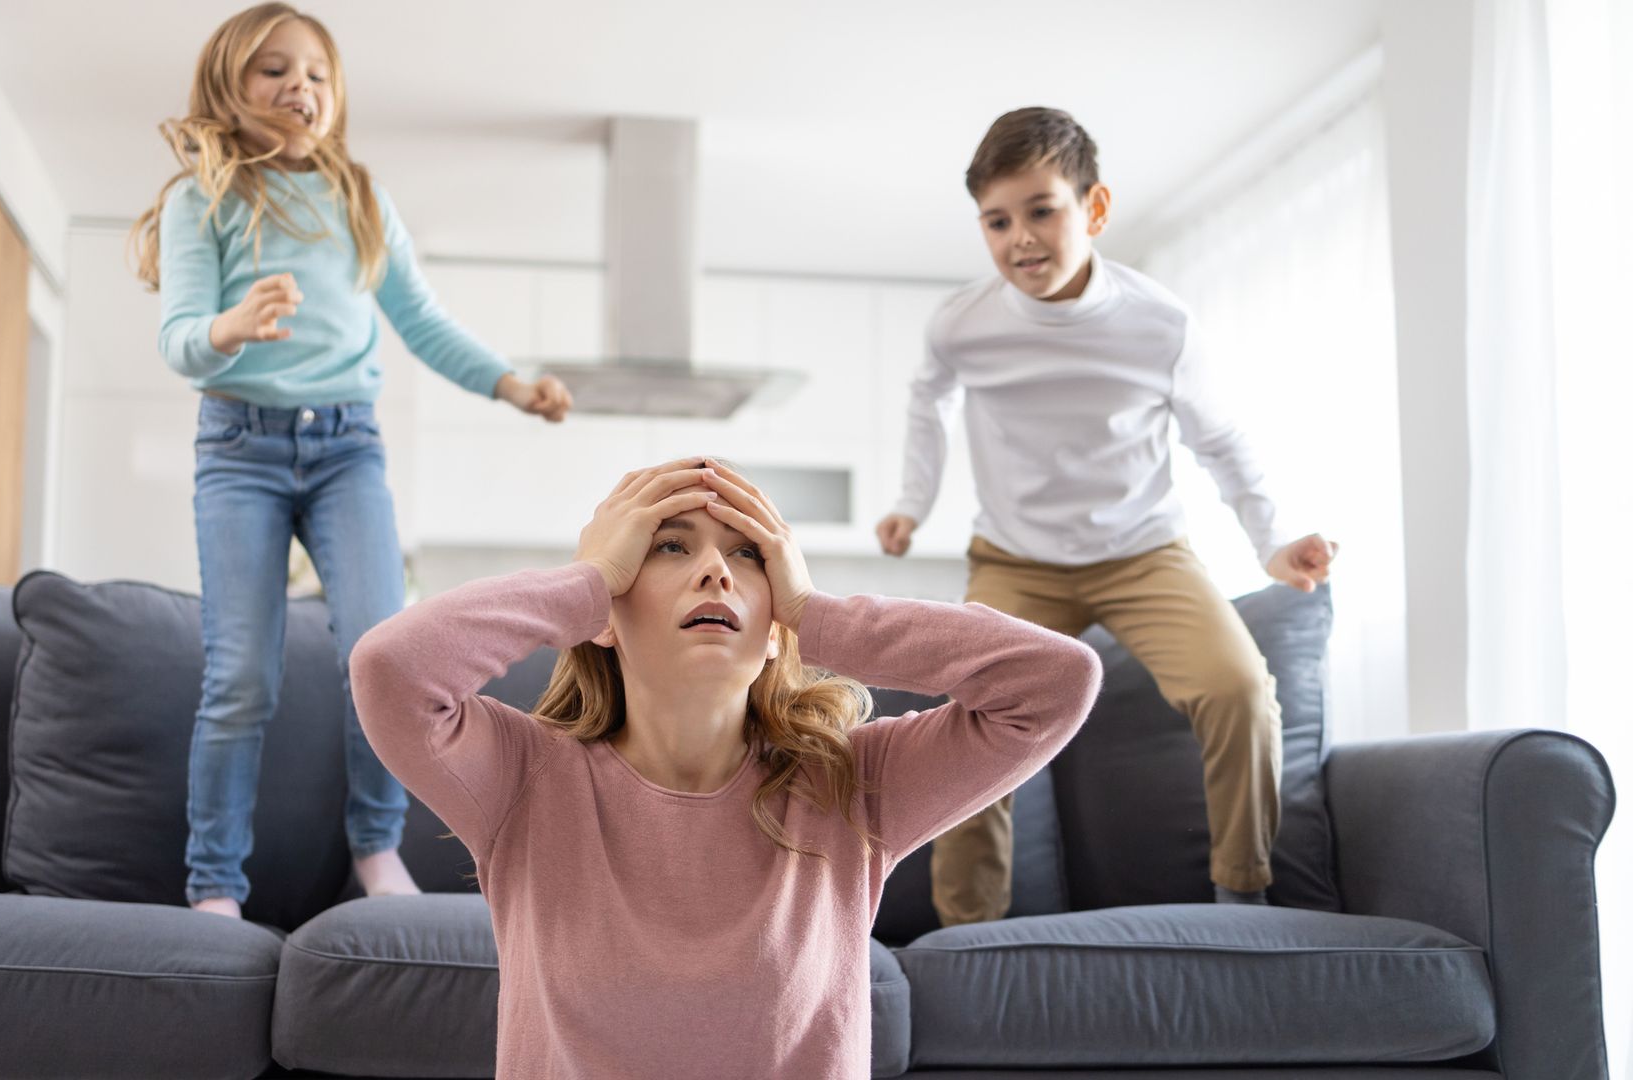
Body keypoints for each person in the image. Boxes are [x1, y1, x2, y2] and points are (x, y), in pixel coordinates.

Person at [352, 458, 1101, 1077]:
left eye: (748, 554)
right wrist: (584, 582)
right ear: (605, 615)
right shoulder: (522, 778)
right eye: (669, 547)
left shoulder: (851, 784)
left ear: (775, 629)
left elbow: (1057, 683)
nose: (715, 570)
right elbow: (391, 671)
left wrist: (816, 613)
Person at [130, 2, 573, 917]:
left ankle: (376, 849)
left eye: (318, 74)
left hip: (346, 451)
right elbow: (179, 341)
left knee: (384, 654)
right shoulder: (201, 198)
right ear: (229, 88)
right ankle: (214, 886)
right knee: (240, 677)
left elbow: (422, 321)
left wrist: (511, 385)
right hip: (239, 448)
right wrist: (232, 325)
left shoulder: (359, 198)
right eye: (275, 70)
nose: (302, 87)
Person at [875, 106, 1338, 925]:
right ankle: (966, 932)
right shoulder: (963, 324)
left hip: (1144, 553)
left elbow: (1219, 439)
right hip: (1016, 559)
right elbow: (926, 402)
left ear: (1093, 208)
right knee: (973, 719)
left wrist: (1272, 542)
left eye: (1041, 210)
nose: (1020, 238)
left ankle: (1244, 892)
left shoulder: (1158, 324)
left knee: (1239, 689)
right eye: (997, 220)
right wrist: (911, 505)